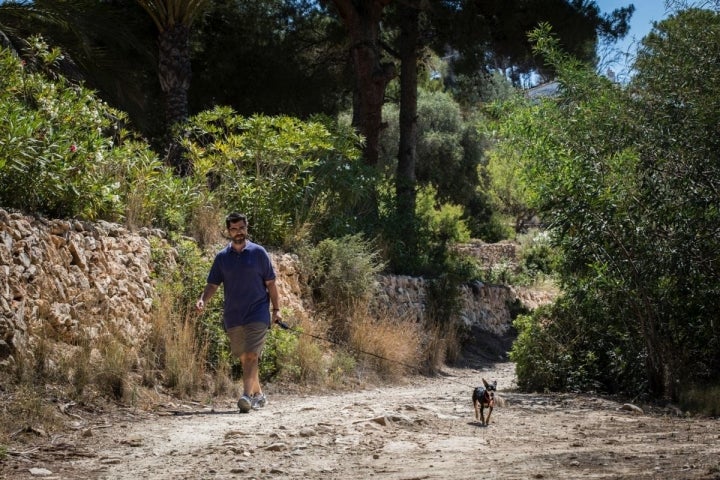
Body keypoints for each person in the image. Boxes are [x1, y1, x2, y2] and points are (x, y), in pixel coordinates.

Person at [196, 212, 282, 413]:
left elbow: (271, 284)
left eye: (241, 228)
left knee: (252, 355)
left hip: (258, 313)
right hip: (233, 315)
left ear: (247, 228)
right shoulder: (222, 258)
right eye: (234, 229)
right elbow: (213, 284)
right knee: (245, 358)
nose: (238, 233)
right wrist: (202, 299)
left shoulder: (259, 253)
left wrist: (276, 310)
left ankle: (245, 396)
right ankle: (258, 394)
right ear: (228, 231)